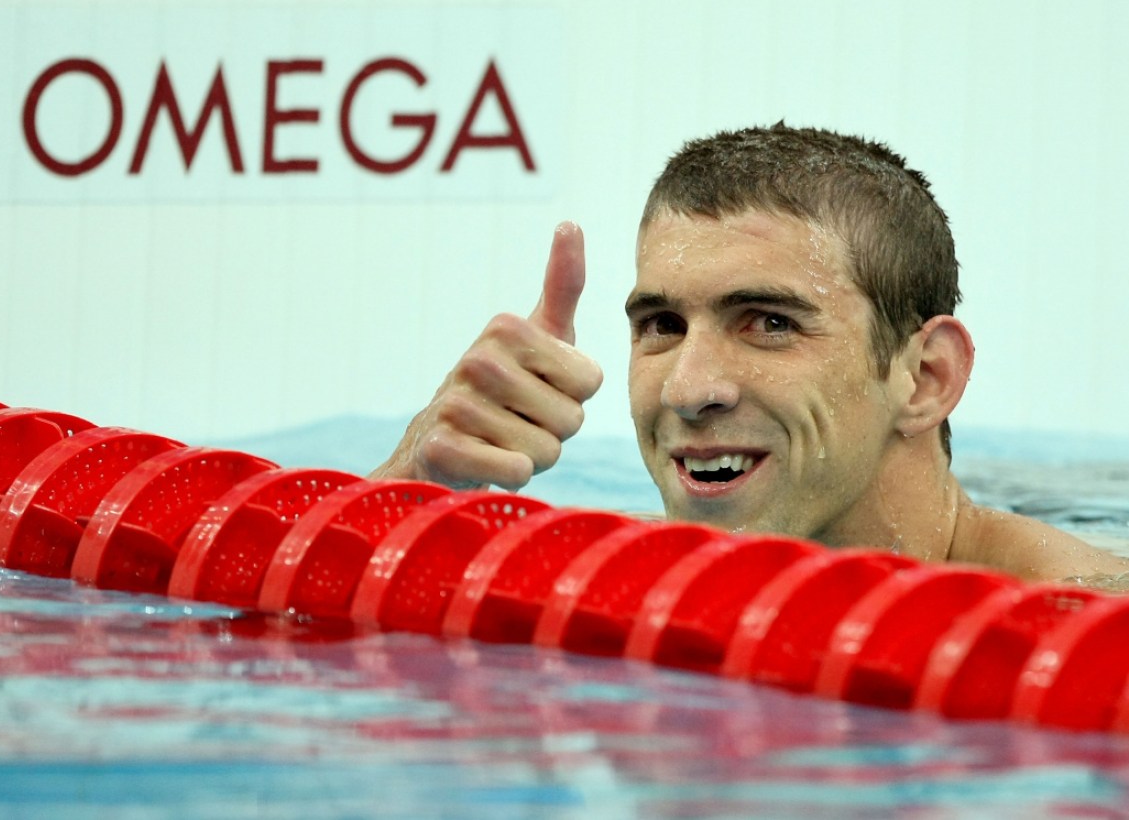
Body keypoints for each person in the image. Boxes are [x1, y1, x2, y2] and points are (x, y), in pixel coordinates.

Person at [372, 123, 1126, 583]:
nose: (687, 390)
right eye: (662, 325)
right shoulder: (610, 568)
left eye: (767, 323)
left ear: (924, 378)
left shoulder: (1075, 606)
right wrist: (406, 491)